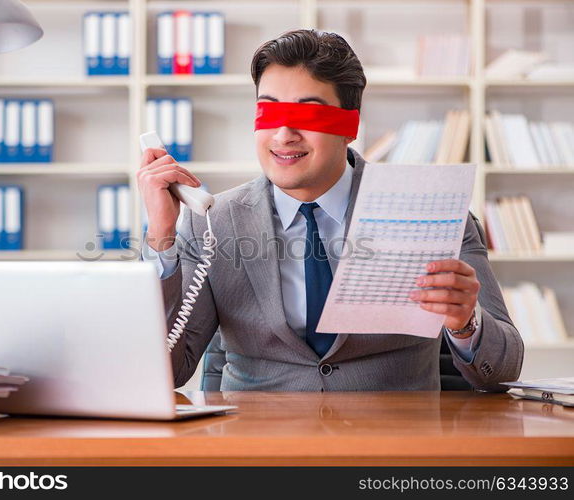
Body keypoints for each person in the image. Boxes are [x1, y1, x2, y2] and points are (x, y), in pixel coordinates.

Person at [137, 29, 523, 391]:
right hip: (256, 443)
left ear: (350, 126)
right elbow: (165, 371)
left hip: (395, 443)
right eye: (268, 112)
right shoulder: (211, 222)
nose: (284, 134)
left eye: (308, 114)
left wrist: (464, 323)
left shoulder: (435, 215)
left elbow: (502, 371)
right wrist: (161, 237)